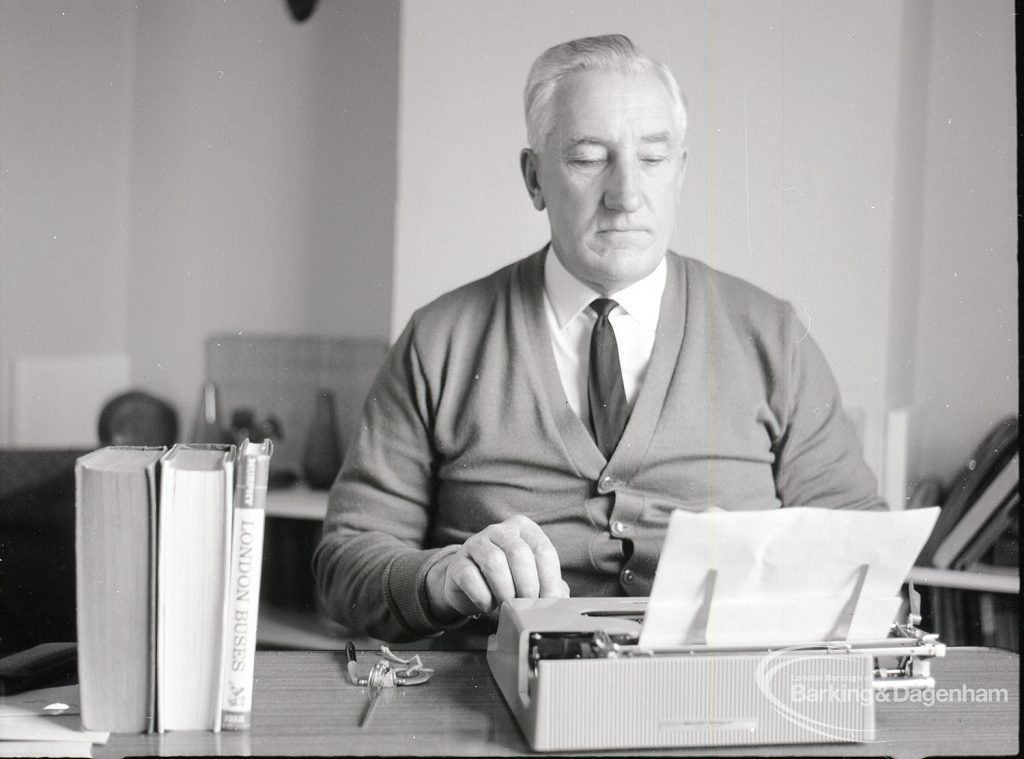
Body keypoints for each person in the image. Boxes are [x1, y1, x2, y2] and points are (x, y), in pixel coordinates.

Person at [313, 34, 885, 646]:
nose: (627, 196)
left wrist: (778, 569)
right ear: (534, 179)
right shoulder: (440, 340)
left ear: (682, 174)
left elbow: (880, 568)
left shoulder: (773, 335)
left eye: (654, 159)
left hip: (726, 711)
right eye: (589, 159)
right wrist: (440, 578)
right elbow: (345, 561)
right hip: (501, 710)